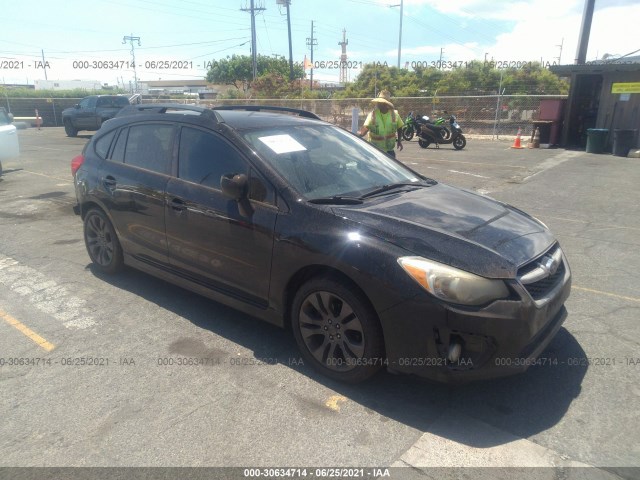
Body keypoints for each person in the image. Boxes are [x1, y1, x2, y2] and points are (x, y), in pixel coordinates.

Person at [357, 90, 404, 157]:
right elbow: (364, 130)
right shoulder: (372, 115)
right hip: (375, 150)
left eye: (379, 102)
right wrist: (355, 135)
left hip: (389, 150)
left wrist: (399, 141)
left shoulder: (395, 115)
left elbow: (400, 127)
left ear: (385, 104)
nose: (377, 103)